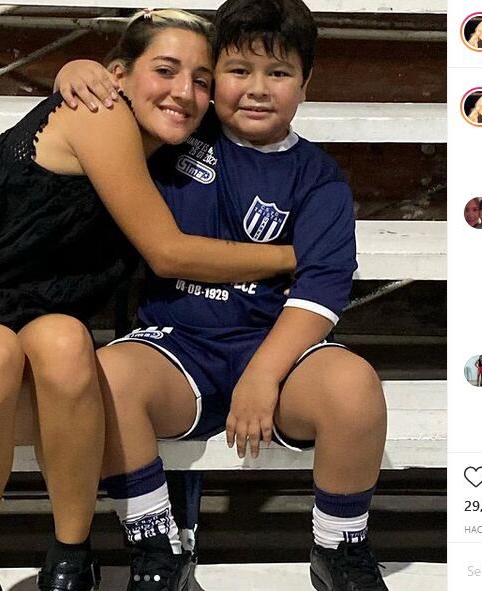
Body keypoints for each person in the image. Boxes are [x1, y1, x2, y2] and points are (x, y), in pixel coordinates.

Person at [0, 10, 297, 591]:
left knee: (67, 338)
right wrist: (296, 257)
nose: (184, 91)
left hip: (24, 354)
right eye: (165, 70)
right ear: (117, 75)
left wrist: (79, 66)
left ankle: (71, 558)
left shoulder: (176, 147)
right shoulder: (100, 116)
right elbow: (167, 253)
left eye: (201, 79)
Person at [55, 0, 389, 589]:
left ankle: (338, 549)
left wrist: (263, 375)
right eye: (239, 71)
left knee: (355, 385)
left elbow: (324, 287)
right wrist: (77, 68)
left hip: (279, 356)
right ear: (212, 77)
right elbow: (123, 93)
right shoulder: (176, 136)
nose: (258, 89)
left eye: (279, 74)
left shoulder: (317, 177)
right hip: (178, 347)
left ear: (306, 84)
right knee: (106, 376)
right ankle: (158, 552)